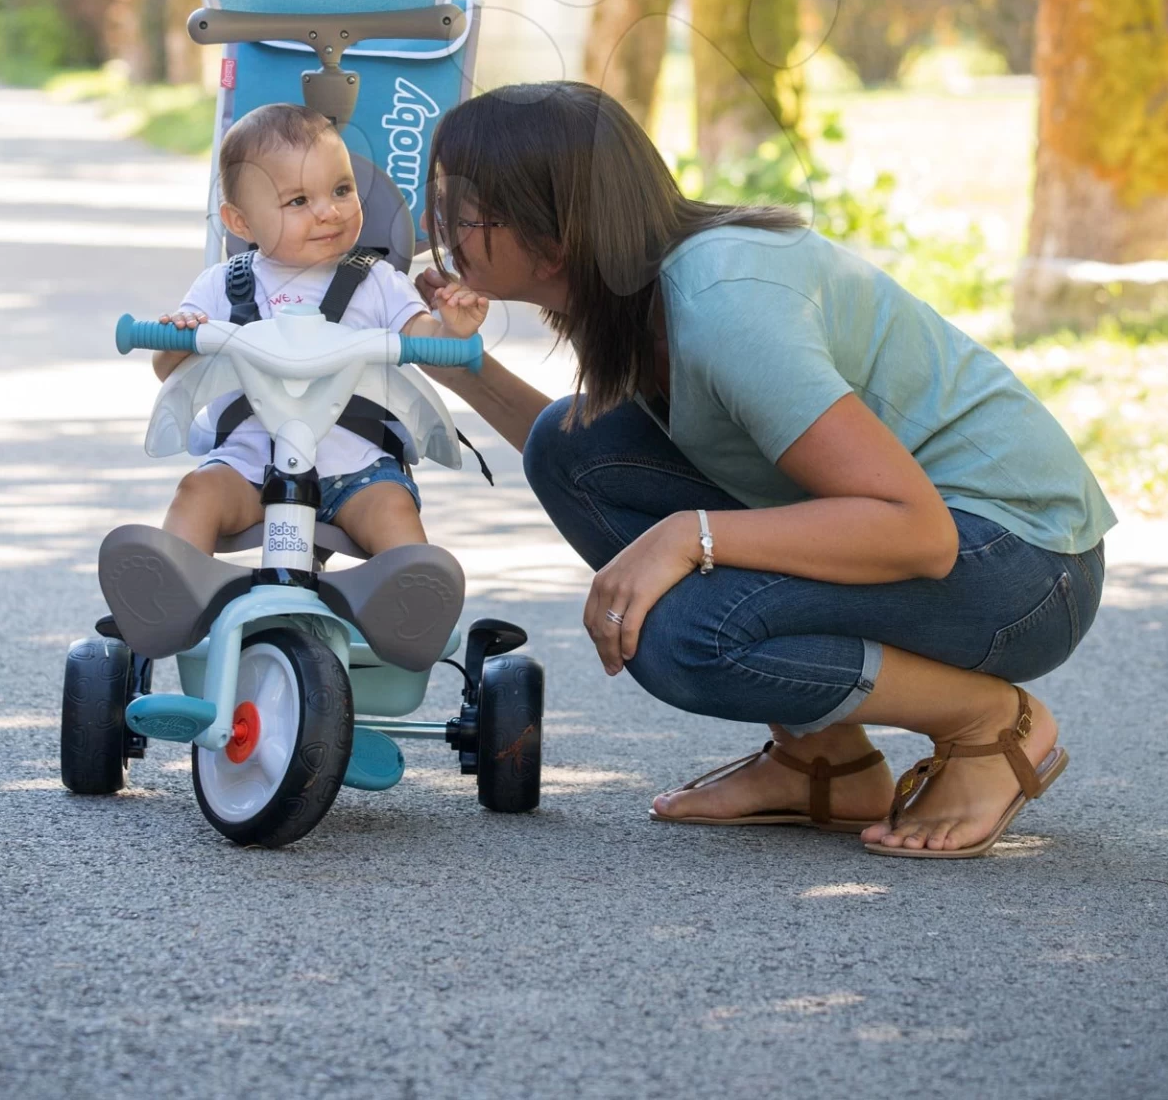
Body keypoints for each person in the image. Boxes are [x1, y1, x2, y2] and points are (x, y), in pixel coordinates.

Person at [415, 82, 1111, 859]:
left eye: (466, 211)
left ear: (557, 234)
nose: (443, 230)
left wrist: (689, 535)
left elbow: (921, 533)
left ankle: (987, 724)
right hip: (952, 539)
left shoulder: (721, 305)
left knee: (685, 633)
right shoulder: (631, 294)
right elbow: (592, 461)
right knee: (565, 445)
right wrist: (461, 364)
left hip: (1022, 565)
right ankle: (825, 758)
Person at [153, 103, 487, 559]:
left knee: (393, 509)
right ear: (241, 222)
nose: (329, 212)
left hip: (357, 469)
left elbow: (428, 343)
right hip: (250, 464)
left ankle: (410, 603)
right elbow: (166, 369)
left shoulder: (378, 281)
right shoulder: (221, 285)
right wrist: (180, 339)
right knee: (196, 492)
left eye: (342, 189)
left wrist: (454, 328)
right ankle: (170, 592)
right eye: (298, 201)